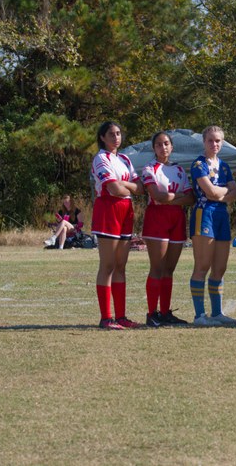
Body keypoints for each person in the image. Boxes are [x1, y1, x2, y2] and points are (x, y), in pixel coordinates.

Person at [90, 121, 144, 330]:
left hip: (126, 212)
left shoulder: (124, 159)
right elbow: (113, 189)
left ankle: (121, 316)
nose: (116, 137)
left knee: (121, 266)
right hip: (108, 211)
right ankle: (106, 318)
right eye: (111, 134)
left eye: (118, 133)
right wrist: (126, 187)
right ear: (102, 137)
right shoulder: (100, 158)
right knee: (108, 265)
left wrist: (126, 186)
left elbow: (139, 188)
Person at [141, 131, 195, 327]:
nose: (163, 147)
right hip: (157, 219)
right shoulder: (149, 169)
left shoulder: (179, 169)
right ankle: (151, 314)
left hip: (177, 219)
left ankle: (165, 313)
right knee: (157, 268)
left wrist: (170, 197)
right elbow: (157, 196)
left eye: (166, 144)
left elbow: (191, 198)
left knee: (169, 269)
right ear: (153, 148)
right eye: (158, 144)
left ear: (171, 147)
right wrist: (176, 196)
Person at [188, 126, 236, 326]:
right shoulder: (198, 164)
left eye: (218, 141)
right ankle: (200, 315)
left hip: (221, 215)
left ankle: (217, 312)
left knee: (220, 267)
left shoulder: (224, 166)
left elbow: (234, 193)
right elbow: (210, 193)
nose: (214, 144)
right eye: (210, 140)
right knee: (202, 265)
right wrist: (224, 191)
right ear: (204, 142)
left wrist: (222, 192)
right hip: (204, 213)